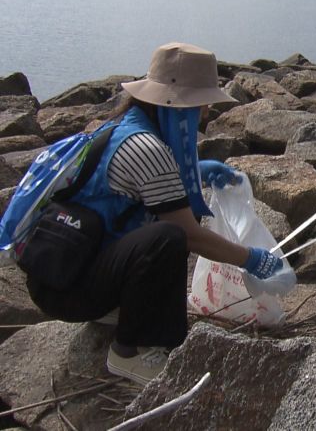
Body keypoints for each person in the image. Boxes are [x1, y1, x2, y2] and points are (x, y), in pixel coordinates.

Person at [23, 42, 284, 385]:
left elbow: (143, 184)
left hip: (62, 268)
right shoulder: (148, 149)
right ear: (175, 103)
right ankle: (128, 353)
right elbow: (189, 234)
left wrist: (200, 171)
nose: (205, 113)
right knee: (168, 239)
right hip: (67, 290)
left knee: (163, 240)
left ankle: (120, 312)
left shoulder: (129, 126)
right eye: (201, 103)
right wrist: (252, 259)